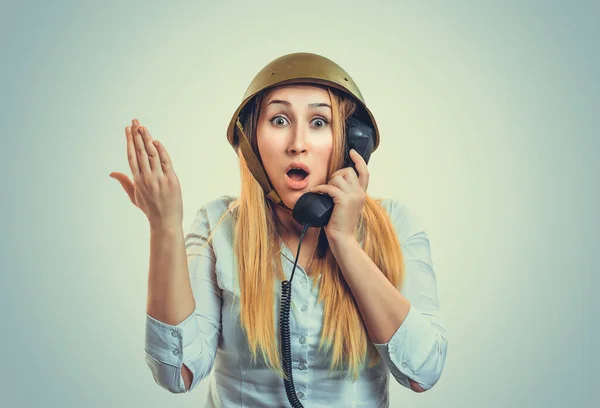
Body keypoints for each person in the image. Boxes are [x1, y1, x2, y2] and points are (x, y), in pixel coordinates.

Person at [110, 52, 448, 407]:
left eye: (319, 122)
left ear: (352, 143)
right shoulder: (217, 225)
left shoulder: (398, 225)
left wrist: (345, 243)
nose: (297, 143)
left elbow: (424, 372)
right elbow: (176, 373)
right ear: (252, 141)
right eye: (280, 119)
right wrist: (163, 226)